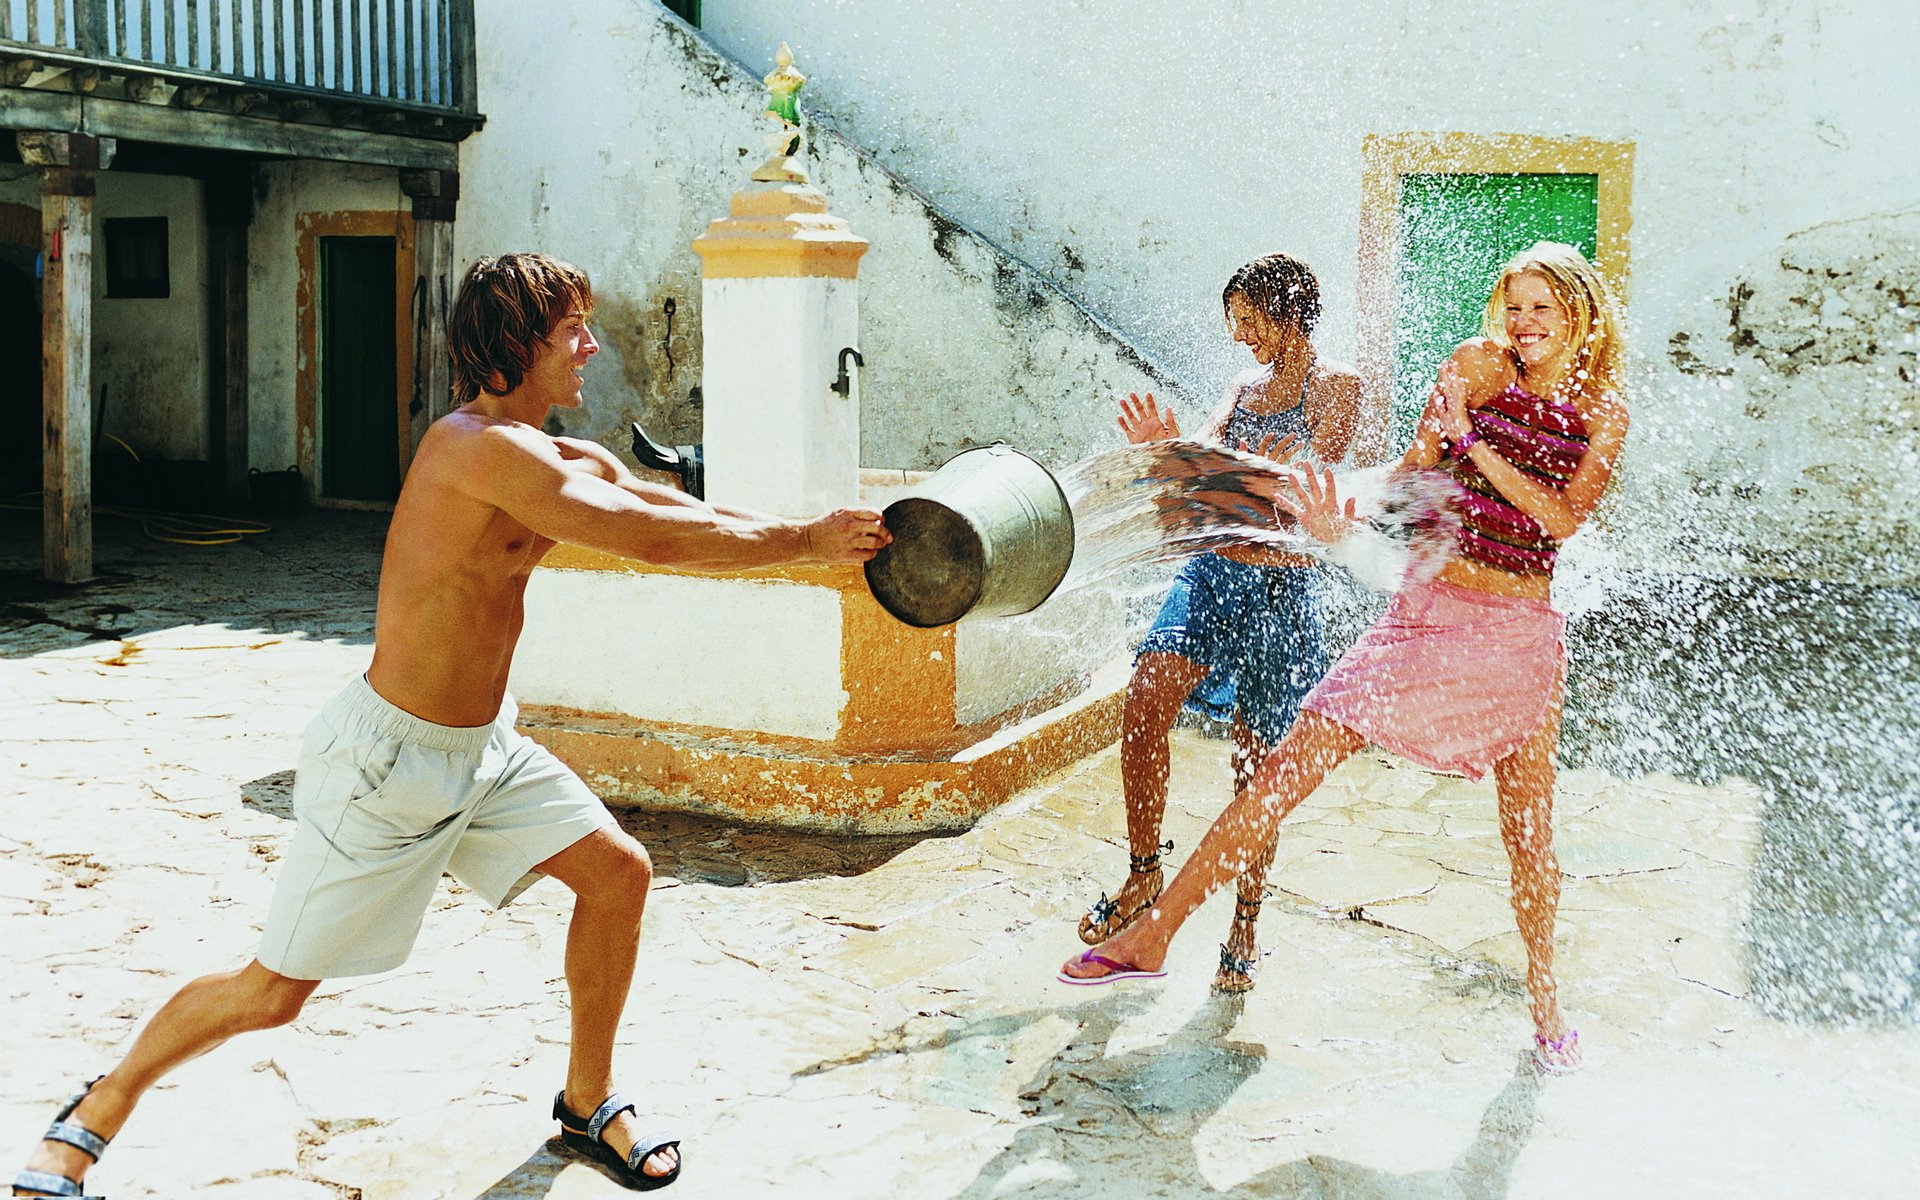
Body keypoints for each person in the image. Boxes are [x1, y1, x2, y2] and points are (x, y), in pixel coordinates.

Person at [12, 253, 890, 1197]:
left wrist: (825, 535)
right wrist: (805, 543)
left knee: (618, 874)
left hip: (485, 748)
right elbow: (651, 542)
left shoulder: (559, 452)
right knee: (273, 994)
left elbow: (671, 506)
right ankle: (92, 1113)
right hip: (387, 760)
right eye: (571, 333)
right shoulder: (474, 449)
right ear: (519, 345)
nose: (591, 346)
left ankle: (587, 1102)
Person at [1062, 242, 1629, 1077]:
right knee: (1284, 770)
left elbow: (1564, 517)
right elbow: (1410, 478)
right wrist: (1338, 527)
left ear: (1580, 314)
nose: (1523, 323)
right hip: (1426, 612)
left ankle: (1548, 1009)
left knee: (1528, 840)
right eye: (1514, 306)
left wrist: (1478, 446)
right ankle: (1157, 933)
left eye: (1542, 307)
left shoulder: (1604, 410)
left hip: (1518, 635)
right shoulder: (1475, 365)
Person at [1074, 254, 1360, 993]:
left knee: (1256, 765)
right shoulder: (1241, 389)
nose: (1239, 337)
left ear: (1287, 309)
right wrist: (1166, 450)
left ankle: (1245, 919)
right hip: (1214, 572)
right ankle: (1143, 873)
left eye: (1247, 320)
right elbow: (1195, 468)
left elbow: (1300, 487)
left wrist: (1201, 468)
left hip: (1282, 592)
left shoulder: (1341, 388)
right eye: (1232, 324)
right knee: (1145, 699)